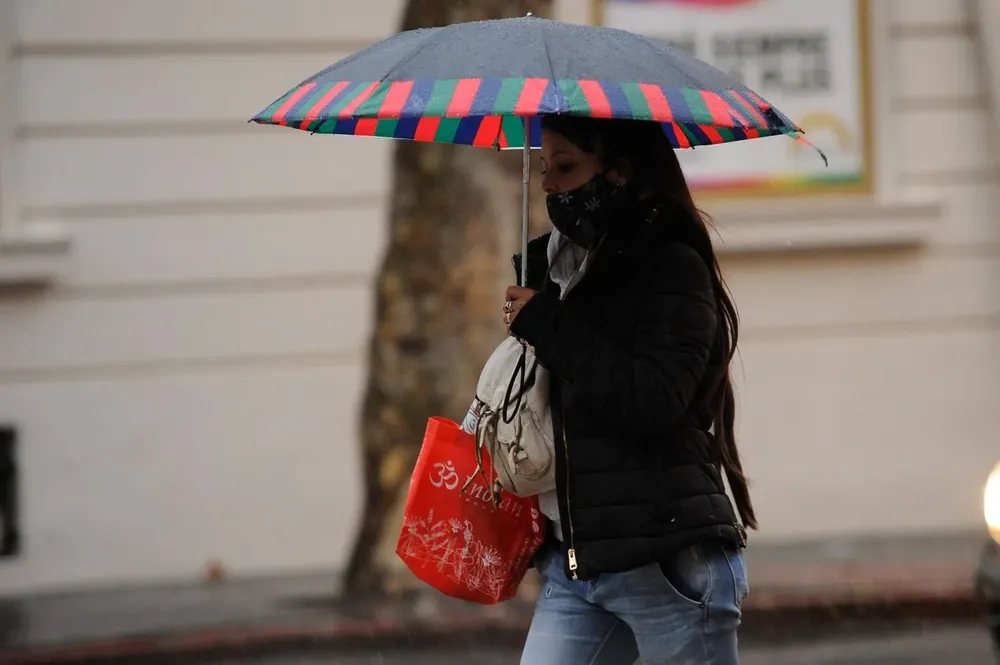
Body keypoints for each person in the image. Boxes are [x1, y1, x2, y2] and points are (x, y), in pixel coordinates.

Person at [502, 115, 756, 665]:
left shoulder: (670, 266)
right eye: (545, 168)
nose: (548, 186)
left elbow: (654, 401)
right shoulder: (560, 270)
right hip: (578, 566)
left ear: (617, 172)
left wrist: (551, 327)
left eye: (566, 167)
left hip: (666, 563)